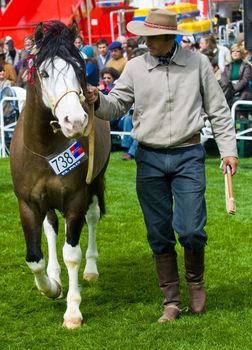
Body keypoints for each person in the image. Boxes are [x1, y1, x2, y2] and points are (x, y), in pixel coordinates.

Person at [87, 9, 238, 323]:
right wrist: (97, 99)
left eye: (151, 37)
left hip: (189, 155)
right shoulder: (135, 67)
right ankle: (171, 300)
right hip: (149, 159)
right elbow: (116, 106)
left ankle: (196, 282)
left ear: (169, 38)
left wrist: (228, 151)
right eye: (145, 36)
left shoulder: (197, 64)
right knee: (158, 233)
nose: (146, 42)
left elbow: (219, 111)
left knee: (192, 230)